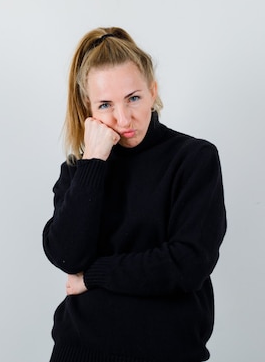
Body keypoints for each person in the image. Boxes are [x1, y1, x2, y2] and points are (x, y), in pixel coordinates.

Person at [42, 26, 227, 362]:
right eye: (105, 104)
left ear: (152, 91)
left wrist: (94, 276)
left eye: (134, 98)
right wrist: (94, 161)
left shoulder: (193, 159)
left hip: (167, 352)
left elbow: (187, 265)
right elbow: (67, 257)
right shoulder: (80, 169)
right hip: (79, 351)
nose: (123, 118)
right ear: (89, 107)